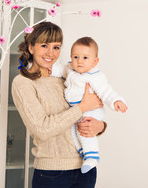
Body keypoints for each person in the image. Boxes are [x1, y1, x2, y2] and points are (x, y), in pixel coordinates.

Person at [11, 22, 106, 188]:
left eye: (56, 47)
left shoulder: (67, 77)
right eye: (44, 45)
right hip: (52, 174)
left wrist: (100, 126)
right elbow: (41, 129)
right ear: (31, 47)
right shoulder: (23, 83)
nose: (51, 53)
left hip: (85, 170)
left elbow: (90, 112)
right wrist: (82, 107)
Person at [51, 36, 128, 174]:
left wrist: (116, 101)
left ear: (95, 61)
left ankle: (92, 156)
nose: (79, 61)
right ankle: (82, 151)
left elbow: (106, 91)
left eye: (85, 58)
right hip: (77, 109)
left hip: (92, 111)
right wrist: (49, 70)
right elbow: (58, 70)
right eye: (75, 57)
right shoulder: (69, 69)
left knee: (84, 131)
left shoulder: (95, 76)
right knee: (73, 131)